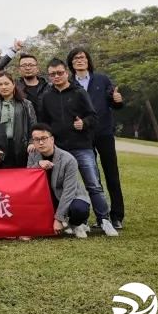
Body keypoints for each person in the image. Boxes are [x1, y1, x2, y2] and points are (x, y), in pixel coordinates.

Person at [39, 59, 118, 236]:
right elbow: (43, 122)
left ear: (66, 72)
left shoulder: (79, 92)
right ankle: (72, 221)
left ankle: (104, 219)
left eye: (60, 73)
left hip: (81, 146)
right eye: (52, 74)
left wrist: (84, 123)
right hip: (58, 149)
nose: (56, 77)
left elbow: (93, 116)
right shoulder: (46, 96)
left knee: (93, 184)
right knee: (60, 186)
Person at [68, 47, 126, 229]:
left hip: (104, 132)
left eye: (83, 57)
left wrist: (117, 100)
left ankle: (116, 216)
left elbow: (114, 103)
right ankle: (102, 215)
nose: (80, 60)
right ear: (71, 63)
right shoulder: (69, 83)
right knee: (92, 177)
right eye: (76, 58)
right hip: (82, 135)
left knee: (111, 174)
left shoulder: (101, 79)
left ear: (88, 60)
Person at [28, 123, 93, 239]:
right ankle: (65, 222)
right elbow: (27, 176)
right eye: (37, 140)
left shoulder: (68, 159)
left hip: (71, 196)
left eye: (44, 138)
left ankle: (76, 223)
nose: (41, 143)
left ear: (52, 139)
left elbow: (69, 191)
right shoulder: (33, 155)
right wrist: (38, 165)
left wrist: (58, 218)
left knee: (79, 209)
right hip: (47, 198)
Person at [0, 73, 38, 169]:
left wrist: (31, 143)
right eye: (0, 84)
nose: (3, 87)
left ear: (13, 84)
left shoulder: (26, 104)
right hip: (0, 149)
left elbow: (33, 126)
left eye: (6, 83)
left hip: (23, 148)